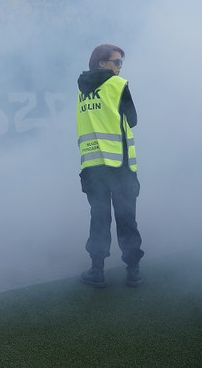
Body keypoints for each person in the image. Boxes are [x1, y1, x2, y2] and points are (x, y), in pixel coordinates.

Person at [76, 44, 144, 288]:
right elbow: (132, 120)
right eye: (117, 62)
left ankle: (97, 271)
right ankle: (133, 271)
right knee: (126, 218)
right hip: (120, 164)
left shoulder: (82, 91)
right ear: (101, 63)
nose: (120, 67)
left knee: (99, 218)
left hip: (94, 166)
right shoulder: (117, 85)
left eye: (121, 63)